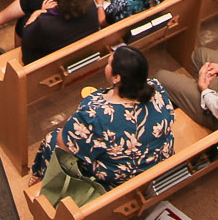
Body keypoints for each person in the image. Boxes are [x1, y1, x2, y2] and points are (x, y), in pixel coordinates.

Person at [31, 45, 175, 188]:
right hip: (156, 162)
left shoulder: (96, 115)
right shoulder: (157, 89)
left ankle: (41, 182)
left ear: (117, 78)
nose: (107, 66)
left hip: (119, 180)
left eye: (109, 64)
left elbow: (65, 143)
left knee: (52, 140)